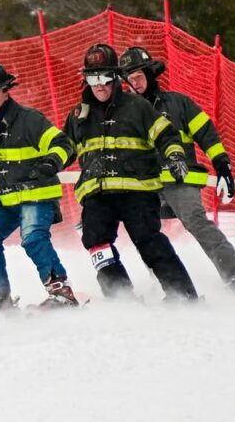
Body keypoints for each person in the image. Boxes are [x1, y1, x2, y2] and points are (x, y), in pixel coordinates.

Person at [62, 43, 198, 301]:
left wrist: (175, 155)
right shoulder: (79, 114)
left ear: (115, 77)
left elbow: (166, 135)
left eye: (104, 77)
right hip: (97, 192)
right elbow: (64, 148)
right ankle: (121, 296)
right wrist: (46, 165)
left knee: (149, 241)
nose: (99, 85)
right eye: (92, 78)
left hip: (137, 190)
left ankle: (182, 296)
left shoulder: (138, 106)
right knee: (96, 242)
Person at [119, 46, 235, 291]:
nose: (135, 83)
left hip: (179, 179)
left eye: (139, 76)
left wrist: (222, 165)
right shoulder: (124, 112)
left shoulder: (178, 103)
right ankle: (172, 287)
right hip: (145, 185)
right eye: (130, 79)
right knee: (144, 233)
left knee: (196, 221)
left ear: (150, 75)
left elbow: (207, 134)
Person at [0, 59, 79, 315]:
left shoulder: (30, 120)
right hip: (0, 201)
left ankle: (61, 291)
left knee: (32, 238)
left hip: (36, 196)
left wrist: (52, 162)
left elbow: (64, 145)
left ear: (5, 91)